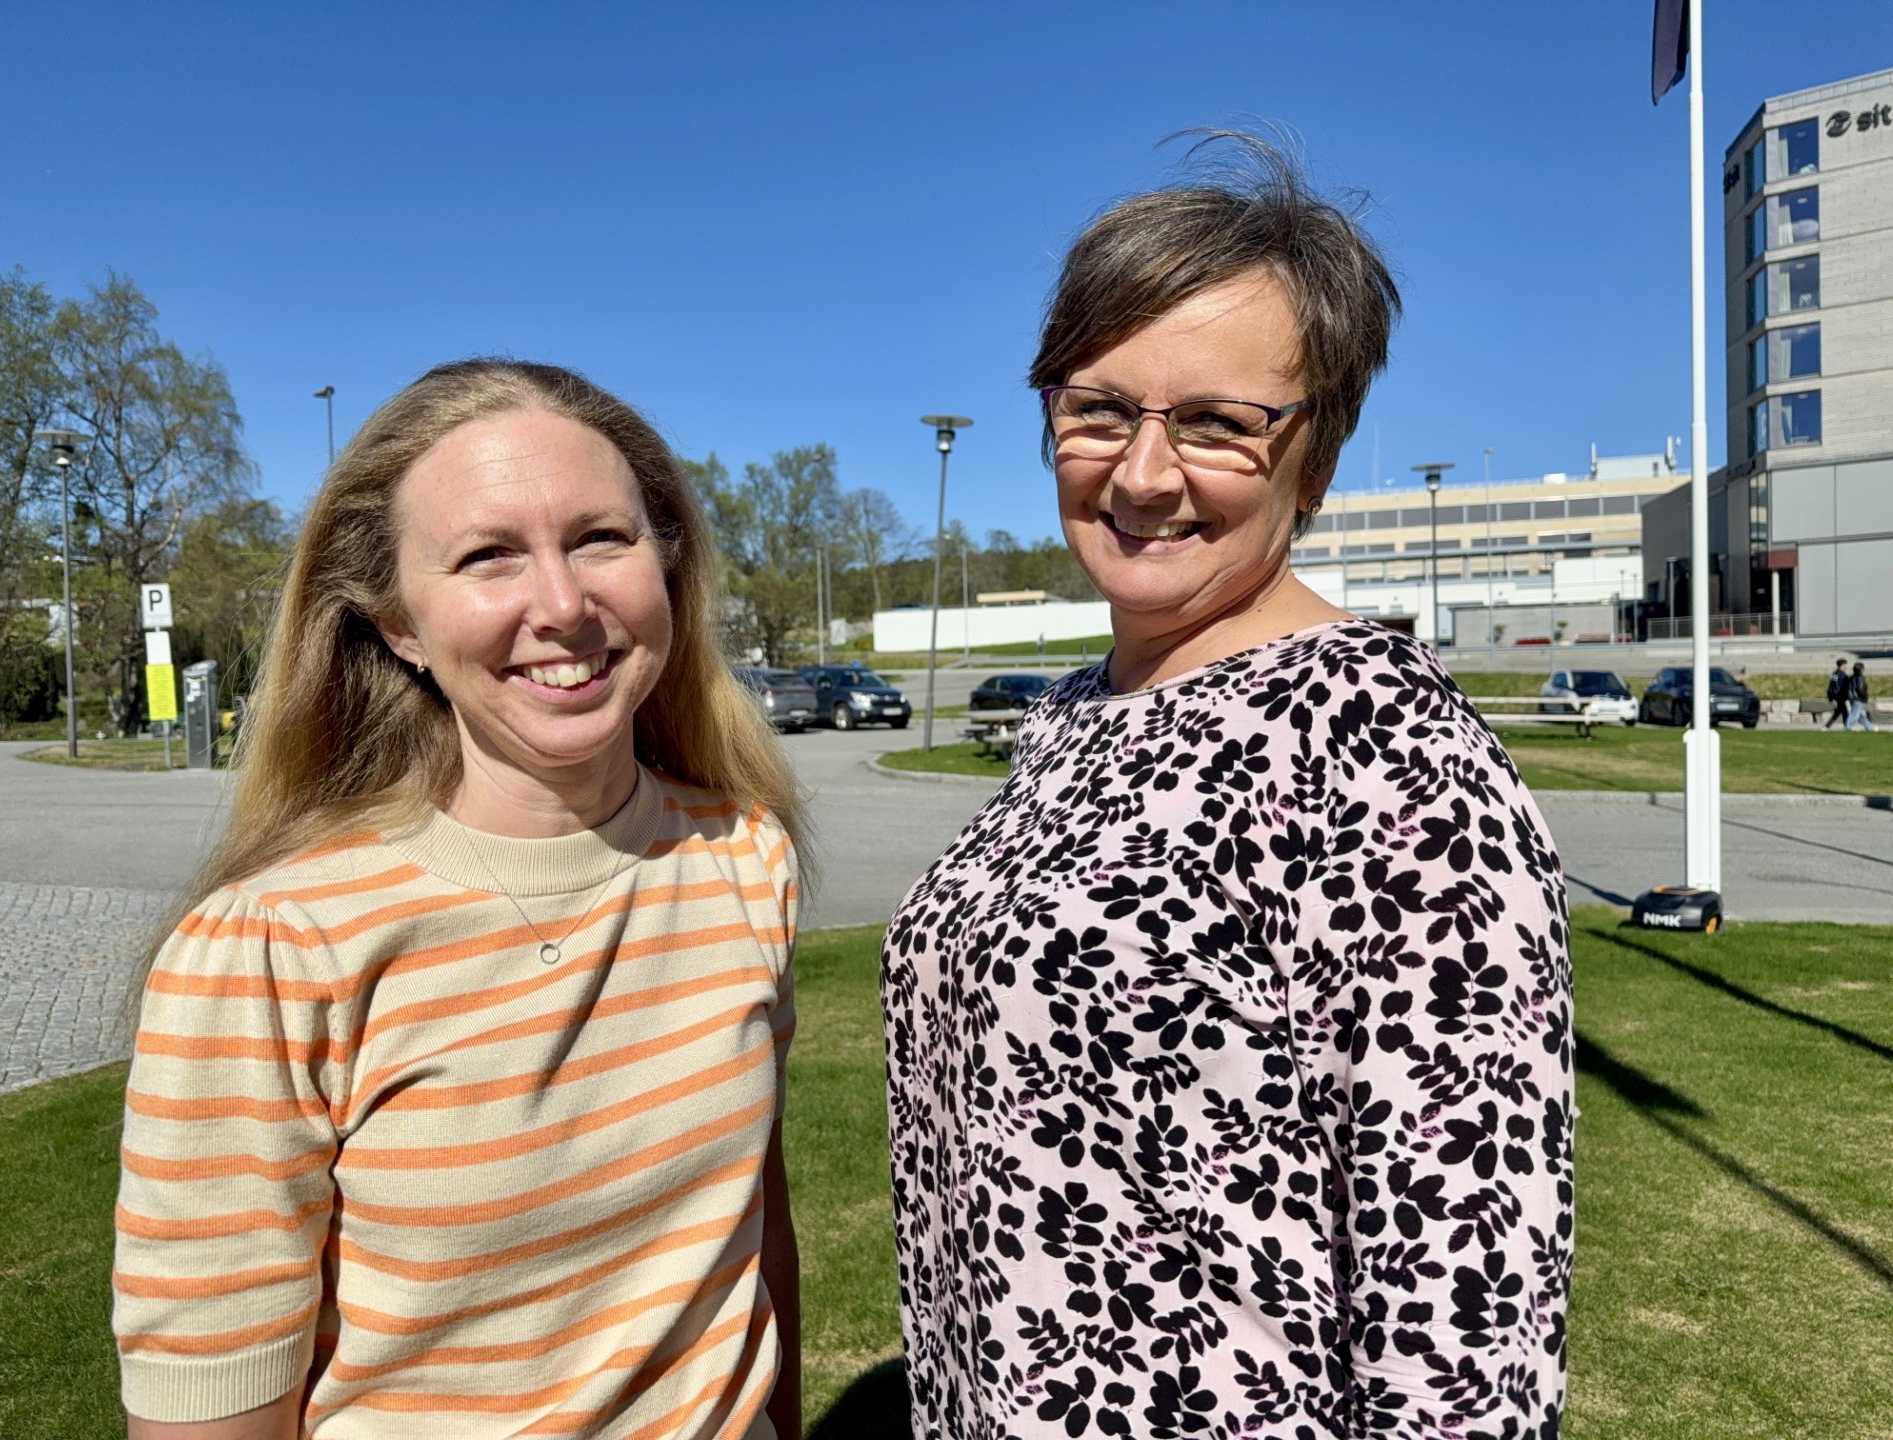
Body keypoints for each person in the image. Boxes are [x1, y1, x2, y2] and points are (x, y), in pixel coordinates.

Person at [882, 138, 1573, 1440]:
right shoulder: (1080, 714)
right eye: (1099, 407)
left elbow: (1469, 1317)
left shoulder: (1385, 755)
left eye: (1216, 423)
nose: (1142, 474)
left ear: (1316, 454)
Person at [114, 361, 805, 1440]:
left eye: (600, 539)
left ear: (667, 564)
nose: (564, 605)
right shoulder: (272, 947)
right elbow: (209, 1410)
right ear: (397, 624)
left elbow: (752, 1236)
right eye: (489, 556)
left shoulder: (742, 856)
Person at [1846, 661, 1876, 731]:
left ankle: (1869, 728)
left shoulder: (1851, 677)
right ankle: (1847, 727)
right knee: (1855, 714)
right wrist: (1865, 697)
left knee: (1861, 715)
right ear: (1861, 669)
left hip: (1852, 698)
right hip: (1858, 699)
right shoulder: (1860, 678)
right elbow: (1860, 689)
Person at [1826, 658, 1850, 729]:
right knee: (1844, 712)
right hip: (1840, 696)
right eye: (1845, 665)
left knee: (1839, 712)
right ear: (1842, 665)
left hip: (1836, 696)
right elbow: (1838, 686)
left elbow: (1832, 685)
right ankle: (1846, 727)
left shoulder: (1835, 673)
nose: (1846, 667)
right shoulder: (1842, 675)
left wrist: (1831, 696)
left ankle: (1827, 726)